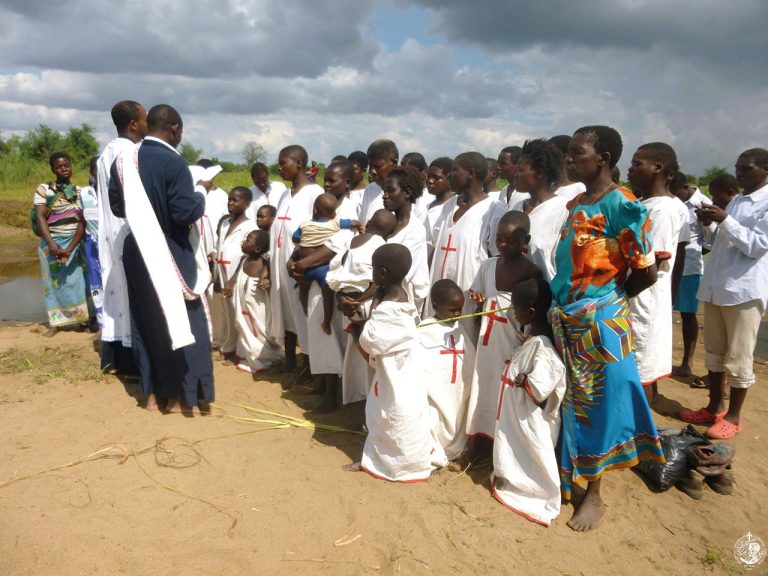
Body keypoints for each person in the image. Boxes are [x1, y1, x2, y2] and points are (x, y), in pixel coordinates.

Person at [549, 125, 663, 532]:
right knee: (570, 401)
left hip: (600, 325)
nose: (568, 159)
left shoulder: (622, 205)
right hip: (568, 319)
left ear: (604, 160)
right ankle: (566, 477)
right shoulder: (578, 204)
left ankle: (594, 494)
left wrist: (605, 302)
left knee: (599, 403)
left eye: (576, 153)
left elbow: (646, 271)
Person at [109, 104, 213, 414]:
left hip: (137, 250)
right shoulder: (173, 162)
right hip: (169, 251)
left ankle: (153, 393)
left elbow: (117, 207)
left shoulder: (123, 159)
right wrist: (201, 194)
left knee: (146, 320)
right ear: (175, 129)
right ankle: (185, 395)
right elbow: (184, 212)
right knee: (183, 320)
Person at [680, 148, 768, 439]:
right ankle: (714, 406)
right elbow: (718, 243)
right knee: (715, 354)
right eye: (738, 167)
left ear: (765, 170)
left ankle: (734, 416)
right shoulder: (739, 200)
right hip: (718, 286)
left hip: (744, 290)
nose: (740, 173)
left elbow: (756, 246)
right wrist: (710, 225)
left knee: (739, 357)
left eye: (747, 169)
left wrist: (725, 219)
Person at [348, 243, 435, 482]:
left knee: (395, 413)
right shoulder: (400, 293)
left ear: (383, 274)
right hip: (399, 368)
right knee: (382, 411)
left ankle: (404, 465)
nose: (372, 275)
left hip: (398, 371)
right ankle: (377, 459)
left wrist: (356, 330)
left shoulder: (389, 309)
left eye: (374, 270)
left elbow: (370, 341)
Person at [492, 277, 566, 527]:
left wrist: (526, 381)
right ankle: (509, 475)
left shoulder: (543, 345)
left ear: (530, 312)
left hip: (529, 419)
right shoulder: (533, 338)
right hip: (515, 414)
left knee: (533, 453)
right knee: (514, 447)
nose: (513, 312)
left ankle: (537, 491)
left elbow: (545, 382)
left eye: (516, 309)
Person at [466, 211, 541, 441]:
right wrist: (478, 298)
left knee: (503, 393)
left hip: (511, 345)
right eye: (499, 238)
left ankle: (501, 445)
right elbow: (474, 290)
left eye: (510, 241)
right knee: (481, 387)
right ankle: (475, 438)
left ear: (525, 242)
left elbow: (534, 311)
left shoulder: (531, 272)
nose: (502, 244)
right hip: (487, 342)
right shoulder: (489, 266)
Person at [626, 143, 687, 405]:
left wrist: (619, 293)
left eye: (637, 163)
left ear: (658, 168)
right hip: (635, 299)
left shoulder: (662, 210)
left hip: (643, 299)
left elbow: (651, 266)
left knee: (640, 372)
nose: (630, 169)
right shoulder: (645, 204)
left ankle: (640, 439)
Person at [96, 100, 146, 375]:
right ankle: (131, 362)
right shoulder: (130, 152)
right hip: (127, 231)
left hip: (109, 233)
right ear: (134, 124)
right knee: (131, 294)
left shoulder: (106, 152)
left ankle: (113, 358)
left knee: (115, 291)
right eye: (145, 119)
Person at [328, 209, 397, 406]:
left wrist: (342, 298)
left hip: (348, 305)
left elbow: (335, 273)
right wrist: (357, 301)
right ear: (389, 233)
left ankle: (359, 399)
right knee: (367, 357)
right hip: (365, 305)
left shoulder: (350, 242)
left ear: (369, 222)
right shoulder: (382, 246)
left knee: (356, 354)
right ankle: (369, 401)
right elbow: (378, 283)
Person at [426, 152, 506, 318]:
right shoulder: (449, 206)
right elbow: (435, 246)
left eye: (455, 170)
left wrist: (485, 296)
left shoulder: (494, 209)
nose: (449, 175)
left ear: (471, 173)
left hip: (470, 292)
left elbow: (497, 258)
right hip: (437, 290)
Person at [269, 145, 324, 374]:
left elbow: (318, 231)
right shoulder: (284, 194)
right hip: (279, 267)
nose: (279, 167)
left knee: (302, 314)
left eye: (284, 163)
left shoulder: (314, 194)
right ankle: (290, 360)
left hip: (299, 268)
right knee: (284, 311)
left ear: (299, 163)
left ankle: (309, 366)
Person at [417, 279, 476, 466]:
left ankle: (457, 448)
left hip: (458, 393)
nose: (458, 314)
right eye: (452, 310)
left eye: (460, 309)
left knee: (459, 416)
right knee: (433, 420)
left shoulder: (459, 329)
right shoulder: (424, 331)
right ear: (435, 307)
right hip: (435, 395)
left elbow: (470, 360)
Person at [34, 152, 89, 337]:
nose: (64, 168)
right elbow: (41, 216)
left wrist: (70, 248)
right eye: (59, 166)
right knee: (53, 284)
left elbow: (82, 222)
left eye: (66, 165)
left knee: (77, 283)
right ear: (53, 169)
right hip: (51, 245)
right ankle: (56, 324)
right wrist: (51, 244)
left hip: (73, 245)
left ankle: (81, 321)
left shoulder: (78, 192)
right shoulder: (44, 189)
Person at [291, 193, 361, 335]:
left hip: (305, 267)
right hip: (323, 268)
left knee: (303, 288)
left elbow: (295, 237)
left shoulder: (305, 224)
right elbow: (352, 223)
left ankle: (306, 310)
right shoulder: (335, 223)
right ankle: (326, 321)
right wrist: (359, 225)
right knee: (327, 296)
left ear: (315, 210)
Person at [670, 172, 713, 378]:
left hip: (689, 268)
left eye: (675, 191)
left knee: (688, 315)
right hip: (670, 266)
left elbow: (711, 239)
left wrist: (694, 250)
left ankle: (687, 362)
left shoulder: (703, 204)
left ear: (685, 186)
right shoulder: (673, 201)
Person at [509, 139, 570, 281]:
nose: (515, 175)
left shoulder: (564, 210)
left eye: (520, 170)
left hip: (546, 296)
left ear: (539, 173)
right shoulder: (517, 207)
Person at [212, 186, 257, 360]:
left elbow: (248, 255)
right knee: (227, 311)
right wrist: (216, 276)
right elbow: (219, 246)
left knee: (239, 311)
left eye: (235, 200)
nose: (230, 203)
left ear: (246, 204)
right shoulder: (225, 223)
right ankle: (229, 344)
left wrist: (232, 280)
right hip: (221, 271)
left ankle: (243, 349)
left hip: (236, 272)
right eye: (229, 199)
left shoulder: (249, 226)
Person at [380, 166, 431, 311]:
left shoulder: (414, 231)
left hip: (400, 304)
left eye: (390, 190)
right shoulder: (384, 224)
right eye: (384, 190)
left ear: (407, 193)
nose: (385, 195)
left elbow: (399, 273)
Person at [232, 230, 282, 374]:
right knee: (244, 326)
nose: (244, 242)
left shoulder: (264, 263)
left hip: (258, 306)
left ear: (258, 248)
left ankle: (264, 358)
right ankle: (250, 355)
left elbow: (265, 275)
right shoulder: (244, 260)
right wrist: (230, 284)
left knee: (260, 329)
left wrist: (264, 280)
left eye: (248, 240)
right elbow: (236, 275)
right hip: (244, 304)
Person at [80, 156, 103, 329]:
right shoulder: (84, 192)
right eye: (97, 169)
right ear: (92, 172)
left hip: (110, 244)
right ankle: (100, 319)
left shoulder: (114, 191)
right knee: (95, 281)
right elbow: (81, 220)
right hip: (91, 244)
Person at [358, 139, 399, 225]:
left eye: (377, 166)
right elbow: (362, 225)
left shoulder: (406, 194)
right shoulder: (370, 189)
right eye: (370, 166)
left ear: (394, 164)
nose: (372, 171)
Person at [424, 157, 454, 259]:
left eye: (436, 178)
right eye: (428, 177)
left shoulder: (452, 209)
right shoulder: (427, 206)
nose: (430, 181)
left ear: (449, 179)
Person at [197, 158, 229, 248]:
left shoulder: (222, 195)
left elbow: (226, 221)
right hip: (196, 245)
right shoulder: (191, 193)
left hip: (215, 245)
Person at [548, 135, 586, 200]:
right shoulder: (548, 189)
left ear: (564, 157)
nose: (545, 158)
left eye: (549, 154)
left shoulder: (580, 189)